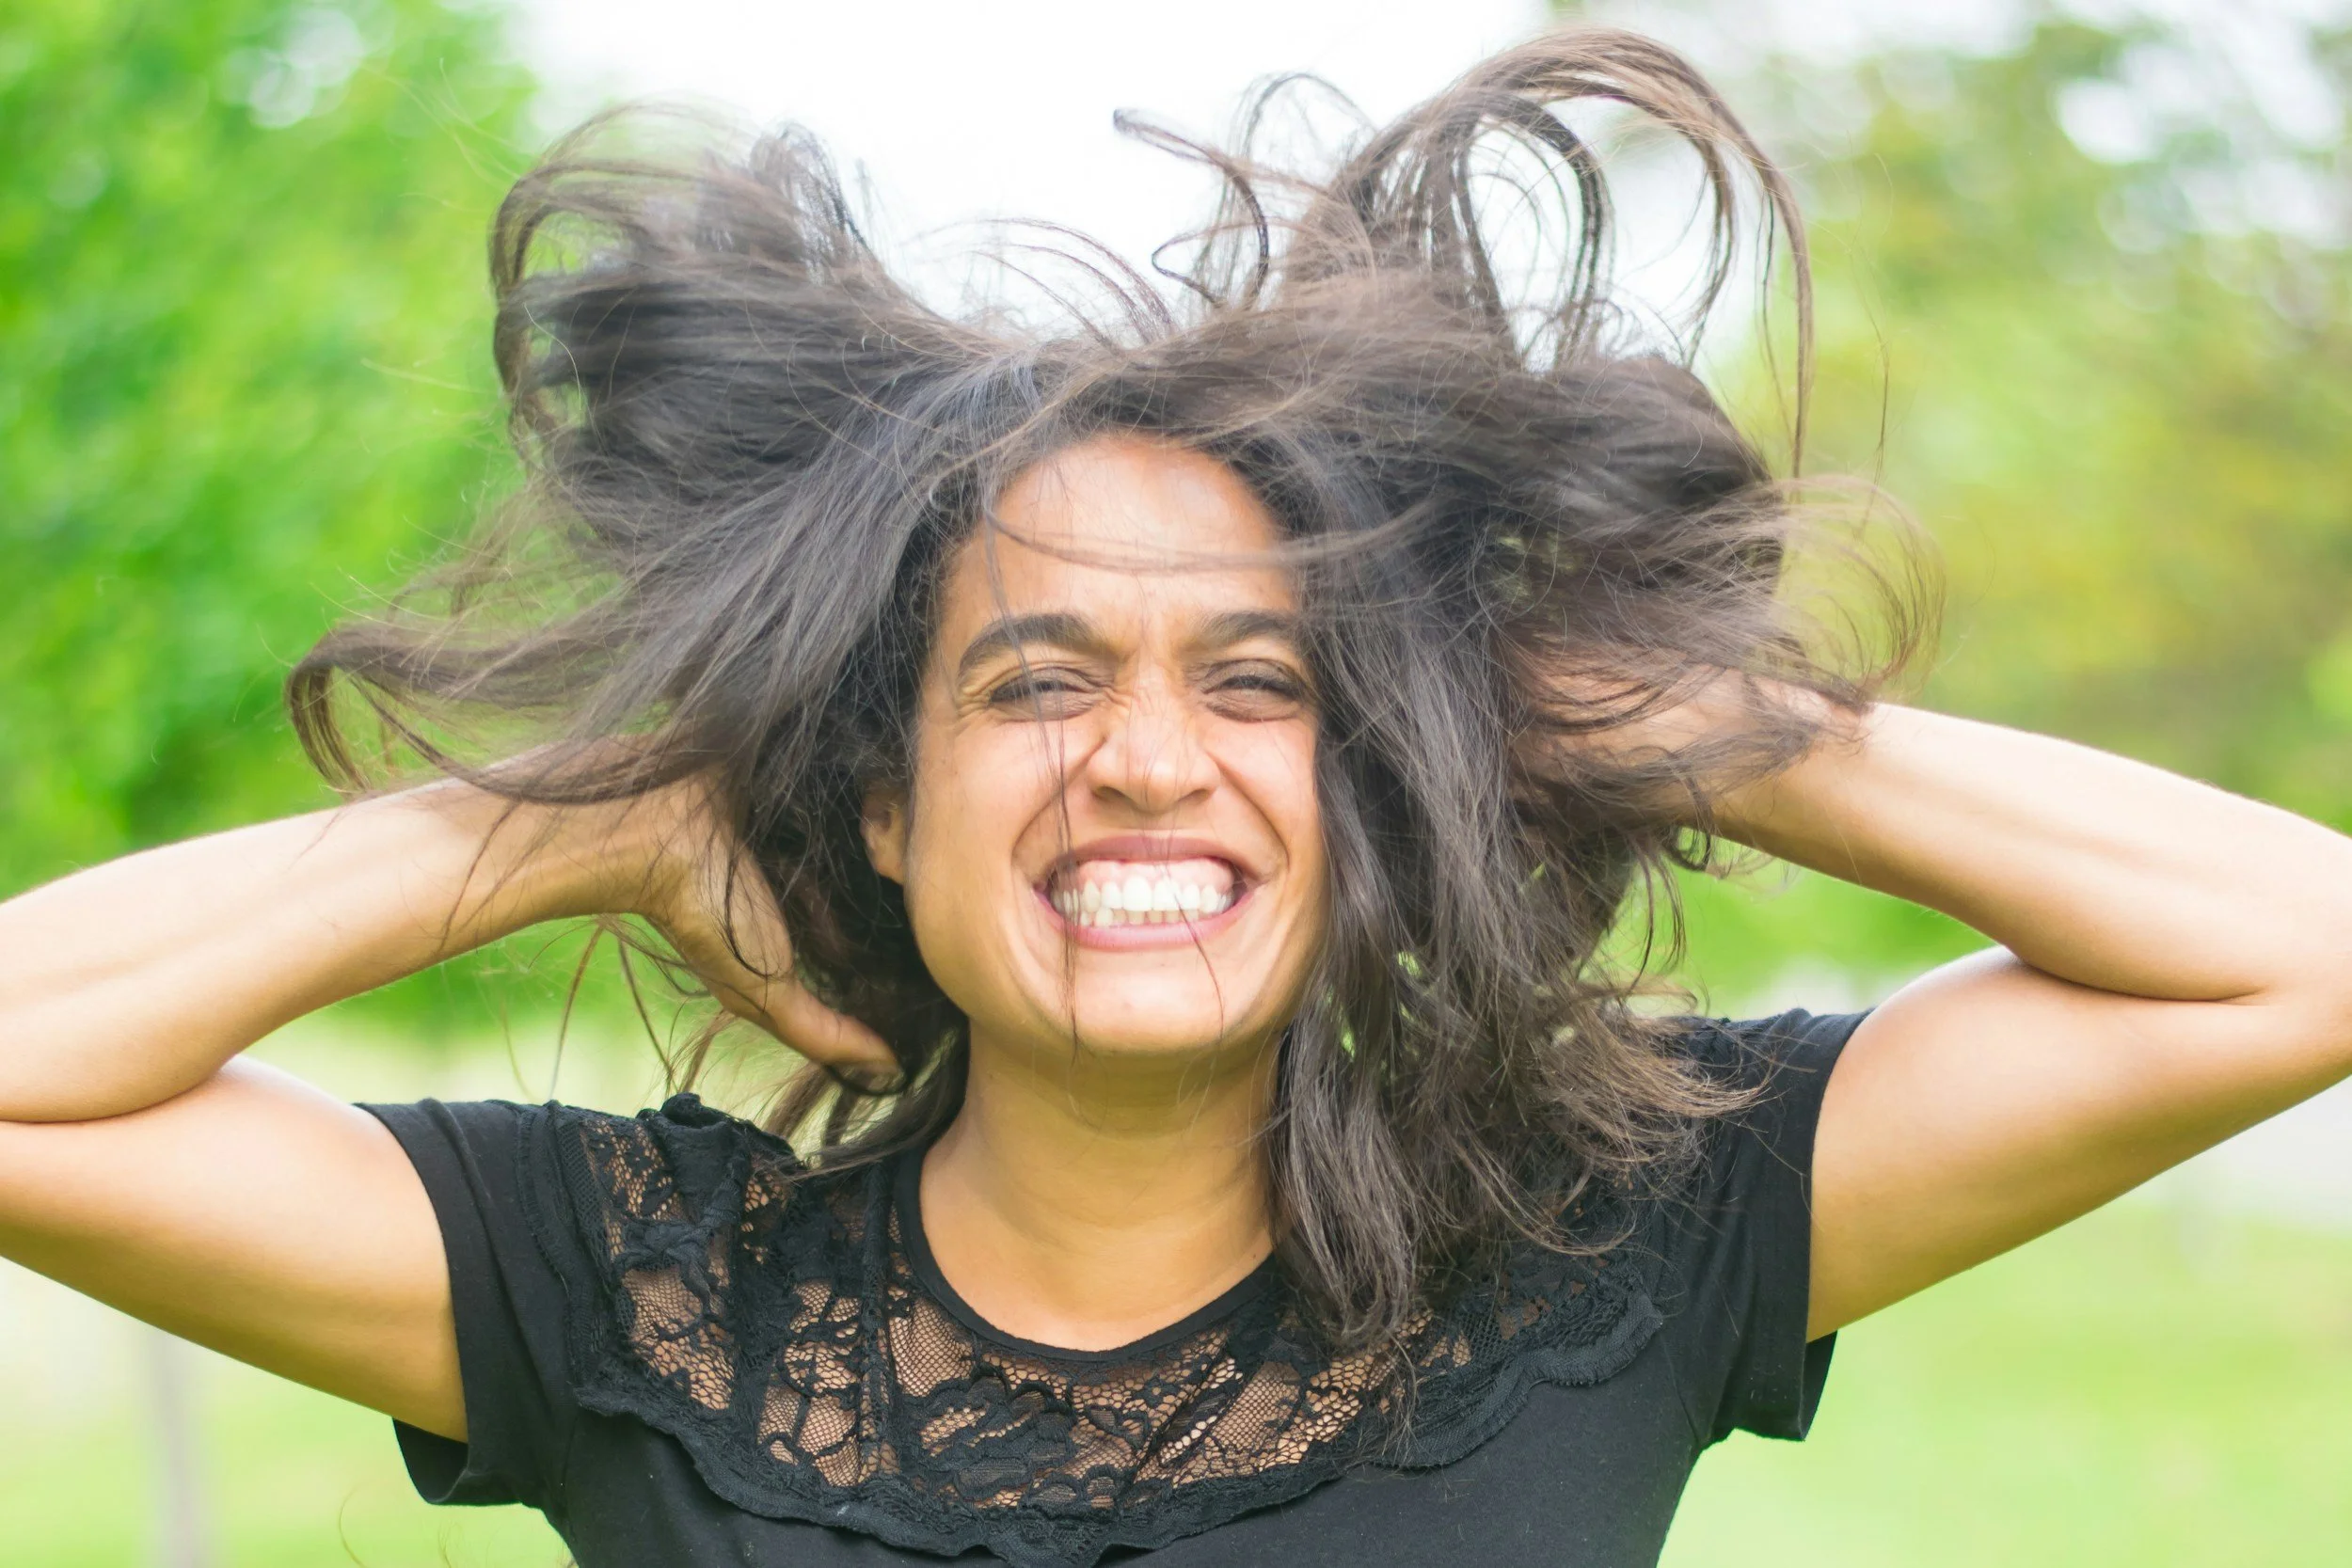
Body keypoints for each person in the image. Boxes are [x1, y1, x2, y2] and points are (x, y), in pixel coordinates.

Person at [5, 25, 2349, 1568]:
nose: (1144, 754)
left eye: (1262, 682)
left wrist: (1655, 719)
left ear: (1371, 783)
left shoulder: (1619, 1231)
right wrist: (598, 814)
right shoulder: (621, 1293)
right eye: (1031, 682)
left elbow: (2299, 946)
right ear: (881, 802)